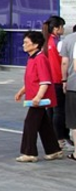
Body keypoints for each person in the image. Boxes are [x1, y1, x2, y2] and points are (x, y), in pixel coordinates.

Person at [14, 31, 63, 162]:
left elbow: (45, 81)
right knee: (44, 125)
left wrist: (38, 97)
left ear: (35, 45)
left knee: (30, 124)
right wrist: (22, 91)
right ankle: (54, 150)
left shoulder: (40, 59)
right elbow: (32, 80)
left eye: (26, 42)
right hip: (34, 98)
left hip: (38, 100)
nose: (23, 45)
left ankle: (29, 153)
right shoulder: (32, 58)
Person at [42, 16, 70, 148]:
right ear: (56, 28)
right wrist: (64, 79)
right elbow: (63, 63)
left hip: (48, 80)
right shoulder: (57, 43)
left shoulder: (46, 42)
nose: (63, 29)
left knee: (51, 110)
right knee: (59, 111)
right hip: (57, 79)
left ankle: (53, 137)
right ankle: (60, 138)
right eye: (62, 26)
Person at [60, 27, 76, 159]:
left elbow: (65, 62)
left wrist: (64, 80)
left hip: (73, 84)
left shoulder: (68, 39)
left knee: (74, 121)